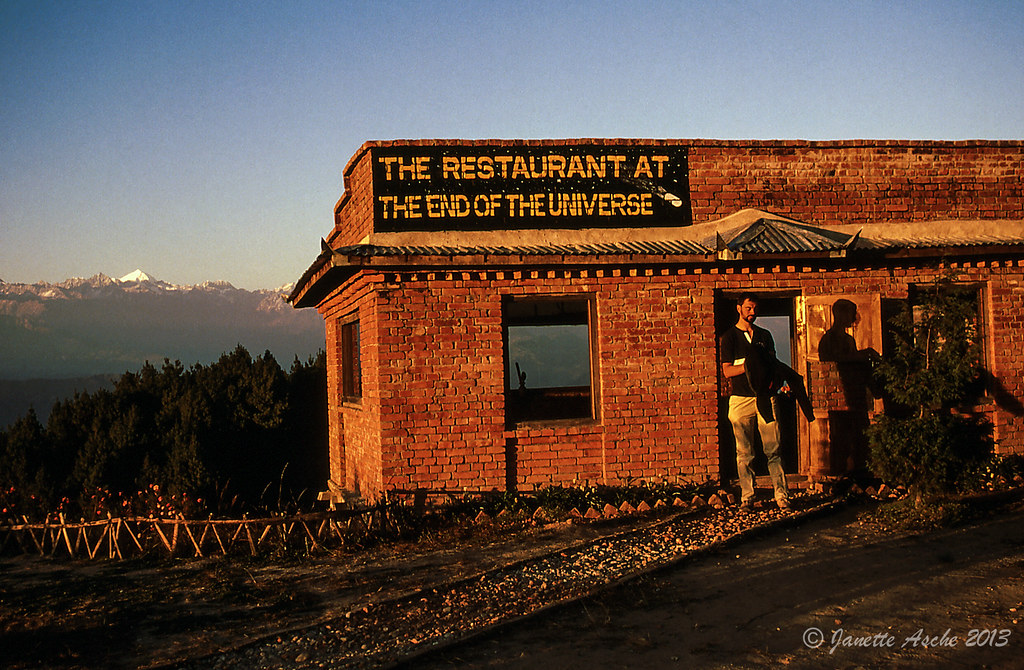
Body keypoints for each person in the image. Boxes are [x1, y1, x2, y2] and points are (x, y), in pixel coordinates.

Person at [720, 293, 791, 512]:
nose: (753, 312)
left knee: (774, 449)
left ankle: (782, 496)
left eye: (755, 308)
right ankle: (748, 498)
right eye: (749, 308)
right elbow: (727, 371)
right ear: (739, 308)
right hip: (741, 400)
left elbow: (772, 364)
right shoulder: (730, 337)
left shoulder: (764, 335)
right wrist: (750, 365)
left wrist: (780, 383)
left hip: (766, 398)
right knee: (745, 452)